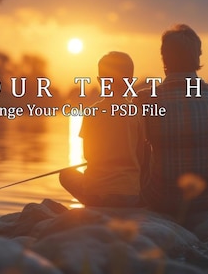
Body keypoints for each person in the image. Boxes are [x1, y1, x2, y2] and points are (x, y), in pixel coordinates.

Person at [136, 24, 208, 216]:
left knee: (141, 150)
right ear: (198, 56)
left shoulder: (146, 99)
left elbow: (135, 149)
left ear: (164, 59)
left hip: (161, 199)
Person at [59, 51, 144, 207]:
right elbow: (142, 156)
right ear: (130, 81)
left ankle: (94, 204)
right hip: (129, 196)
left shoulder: (90, 113)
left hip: (95, 194)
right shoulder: (137, 113)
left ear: (100, 81)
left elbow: (88, 154)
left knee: (65, 175)